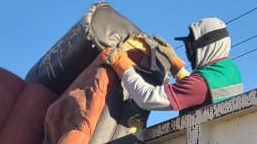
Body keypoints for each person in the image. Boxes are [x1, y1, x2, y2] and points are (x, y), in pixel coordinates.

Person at [101, 17, 243, 113]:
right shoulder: (228, 71)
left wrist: (123, 66)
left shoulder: (202, 83)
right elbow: (199, 93)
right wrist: (177, 67)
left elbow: (148, 99)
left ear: (207, 46)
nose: (189, 52)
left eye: (191, 47)